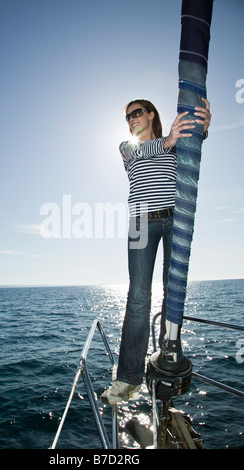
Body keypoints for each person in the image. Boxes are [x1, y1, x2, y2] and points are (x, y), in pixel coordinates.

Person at [101, 98, 211, 405]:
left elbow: (193, 144)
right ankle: (129, 379)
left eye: (136, 113)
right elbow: (137, 150)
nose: (131, 119)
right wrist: (168, 140)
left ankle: (167, 351)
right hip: (140, 223)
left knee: (173, 288)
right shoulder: (128, 148)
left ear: (151, 114)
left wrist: (203, 125)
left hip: (174, 219)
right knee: (138, 296)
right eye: (127, 116)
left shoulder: (173, 146)